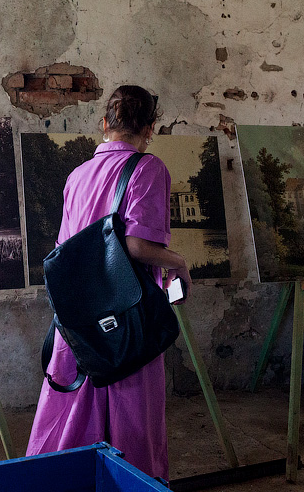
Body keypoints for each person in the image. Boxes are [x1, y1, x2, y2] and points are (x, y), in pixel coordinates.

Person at [26, 85, 192, 480]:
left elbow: (63, 250)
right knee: (131, 417)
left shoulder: (77, 175)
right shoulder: (148, 168)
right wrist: (178, 263)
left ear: (104, 123)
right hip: (126, 317)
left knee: (70, 416)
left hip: (79, 318)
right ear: (149, 128)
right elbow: (135, 245)